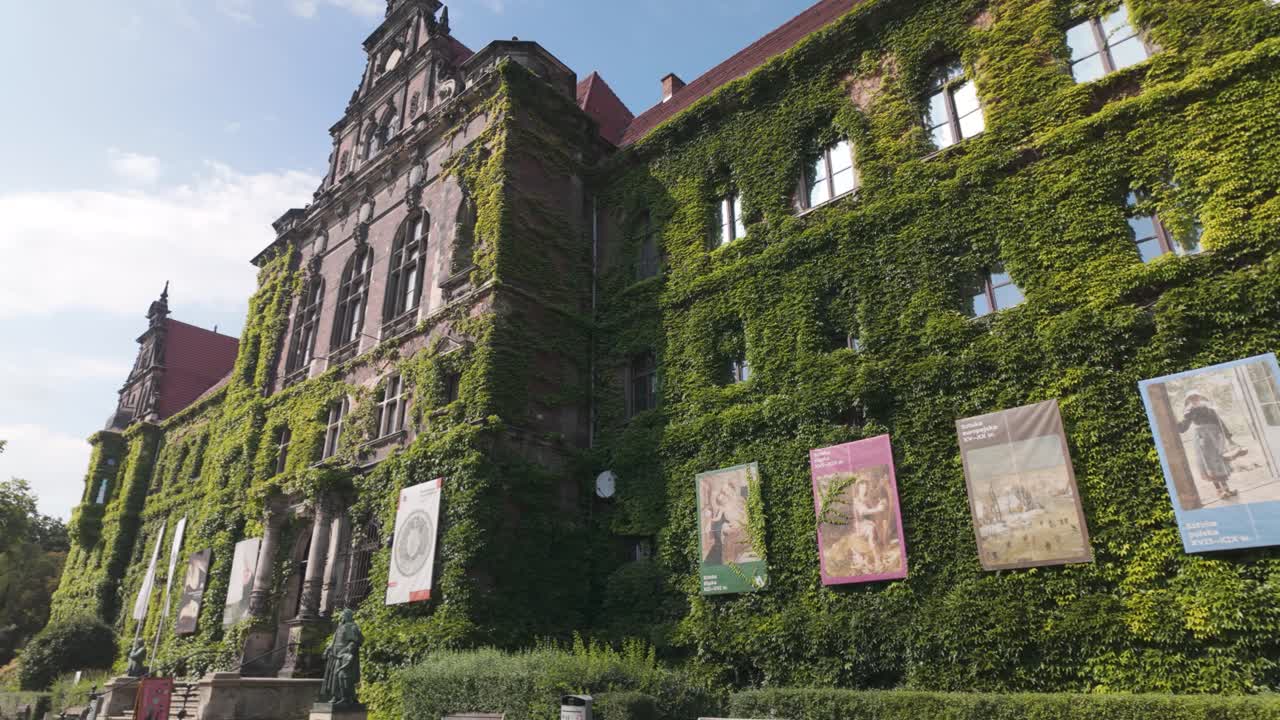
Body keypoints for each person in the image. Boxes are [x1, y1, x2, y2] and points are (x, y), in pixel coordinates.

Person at [1178, 391, 1241, 500]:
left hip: (1216, 438)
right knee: (1209, 465)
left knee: (1220, 463)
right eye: (1191, 398)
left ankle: (1227, 489)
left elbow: (1220, 423)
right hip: (1203, 440)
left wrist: (1229, 438)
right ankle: (1220, 491)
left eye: (1196, 397)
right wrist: (1175, 422)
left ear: (1200, 397)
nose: (1194, 400)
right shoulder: (1190, 412)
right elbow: (1183, 428)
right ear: (1188, 401)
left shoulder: (1210, 410)